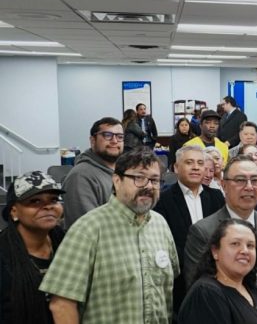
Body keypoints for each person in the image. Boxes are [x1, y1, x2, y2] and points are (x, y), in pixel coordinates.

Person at [41, 147, 179, 323]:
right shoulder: (87, 229)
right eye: (139, 178)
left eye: (154, 180)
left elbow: (168, 285)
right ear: (117, 180)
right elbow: (61, 304)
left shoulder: (160, 225)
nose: (148, 186)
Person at [183, 157, 257, 322]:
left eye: (255, 180)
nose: (249, 187)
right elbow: (199, 290)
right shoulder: (203, 231)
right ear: (224, 185)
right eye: (240, 180)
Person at [154, 145, 225, 314]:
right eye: (189, 162)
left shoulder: (216, 197)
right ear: (176, 168)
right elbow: (165, 241)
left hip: (216, 277)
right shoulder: (163, 200)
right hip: (180, 281)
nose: (196, 167)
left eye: (200, 163)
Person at [178, 219, 257, 324]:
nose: (244, 251)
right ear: (215, 251)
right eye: (235, 244)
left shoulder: (249, 287)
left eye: (250, 246)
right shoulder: (206, 293)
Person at [0, 171, 65, 324]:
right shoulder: (4, 255)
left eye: (54, 200)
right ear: (13, 211)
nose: (48, 206)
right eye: (35, 201)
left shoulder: (67, 242)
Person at [62, 117, 124, 228]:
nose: (114, 141)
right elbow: (87, 229)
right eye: (107, 135)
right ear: (93, 141)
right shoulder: (81, 177)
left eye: (119, 137)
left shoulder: (122, 171)